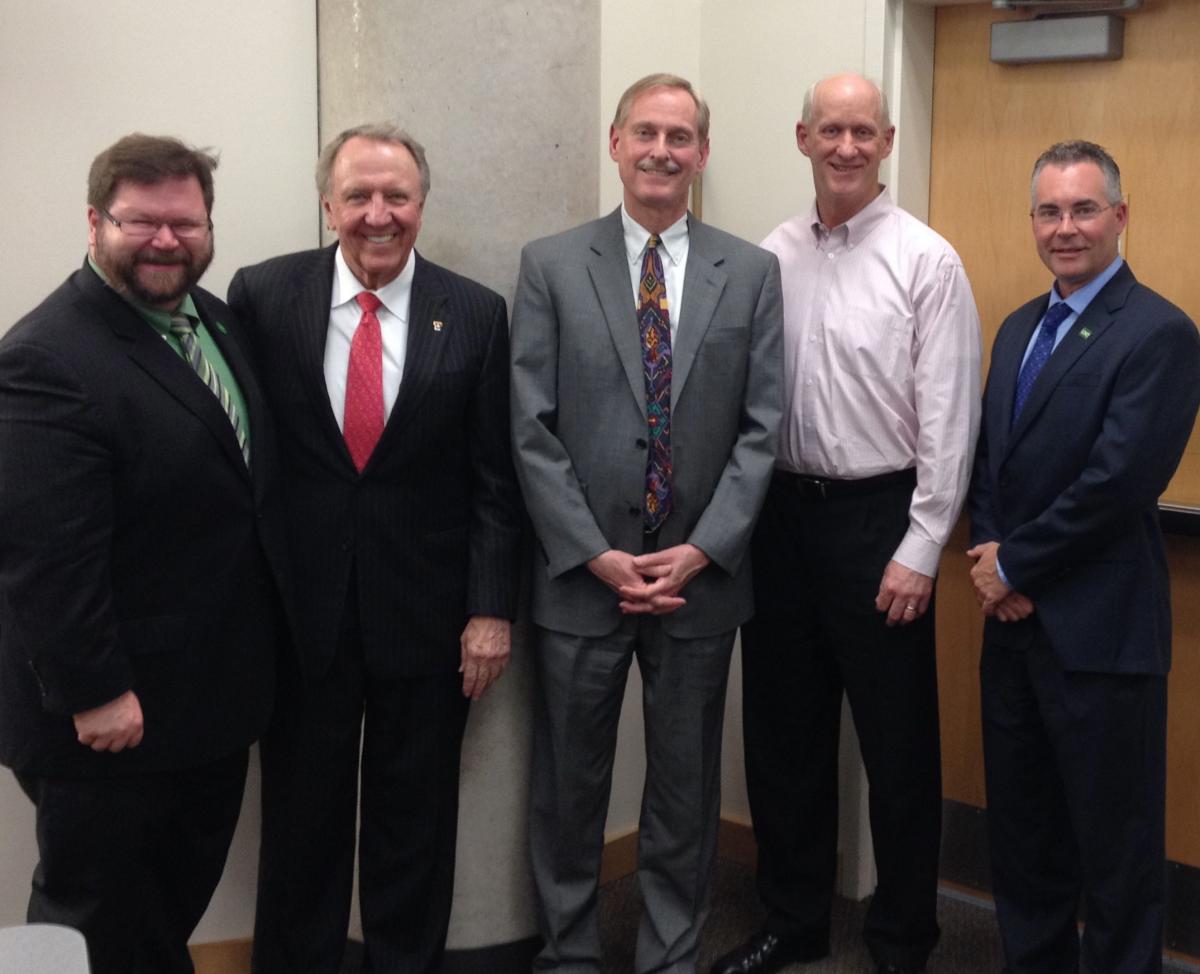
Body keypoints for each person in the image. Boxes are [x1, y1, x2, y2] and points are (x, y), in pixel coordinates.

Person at [228, 122, 521, 974]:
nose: (378, 213)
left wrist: (490, 610)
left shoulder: (473, 313)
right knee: (300, 825)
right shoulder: (264, 296)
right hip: (301, 618)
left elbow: (494, 481)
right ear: (329, 204)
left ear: (422, 204)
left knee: (415, 826)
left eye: (396, 195)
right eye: (358, 195)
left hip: (429, 622)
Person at [510, 72, 783, 973]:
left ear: (702, 153)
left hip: (698, 586)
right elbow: (531, 426)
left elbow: (762, 427)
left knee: (683, 790)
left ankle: (670, 956)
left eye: (681, 136)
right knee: (568, 790)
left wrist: (704, 550)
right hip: (583, 582)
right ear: (616, 143)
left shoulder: (750, 272)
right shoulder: (551, 264)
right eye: (646, 133)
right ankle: (568, 955)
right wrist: (592, 552)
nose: (662, 151)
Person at [0, 133, 285, 974]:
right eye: (142, 222)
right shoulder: (45, 357)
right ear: (95, 222)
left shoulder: (216, 322)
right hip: (110, 720)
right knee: (89, 921)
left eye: (186, 223)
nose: (168, 241)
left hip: (204, 703)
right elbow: (45, 555)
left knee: (157, 916)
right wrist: (95, 692)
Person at [716, 74, 982, 974]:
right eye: (830, 129)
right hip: (781, 520)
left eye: (863, 131)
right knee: (784, 739)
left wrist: (921, 546)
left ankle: (903, 939)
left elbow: (951, 420)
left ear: (887, 140)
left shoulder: (926, 260)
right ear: (801, 137)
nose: (846, 147)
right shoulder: (769, 256)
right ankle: (791, 921)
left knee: (898, 746)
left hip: (882, 522)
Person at [966, 140, 1200, 974]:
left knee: (1117, 857)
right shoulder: (1021, 324)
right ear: (1033, 221)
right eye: (1050, 212)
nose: (1066, 229)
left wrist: (1015, 566)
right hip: (1014, 634)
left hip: (1101, 639)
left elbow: (1118, 481)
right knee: (1025, 843)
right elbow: (989, 459)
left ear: (1120, 217)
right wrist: (991, 561)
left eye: (1084, 209)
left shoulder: (1162, 332)